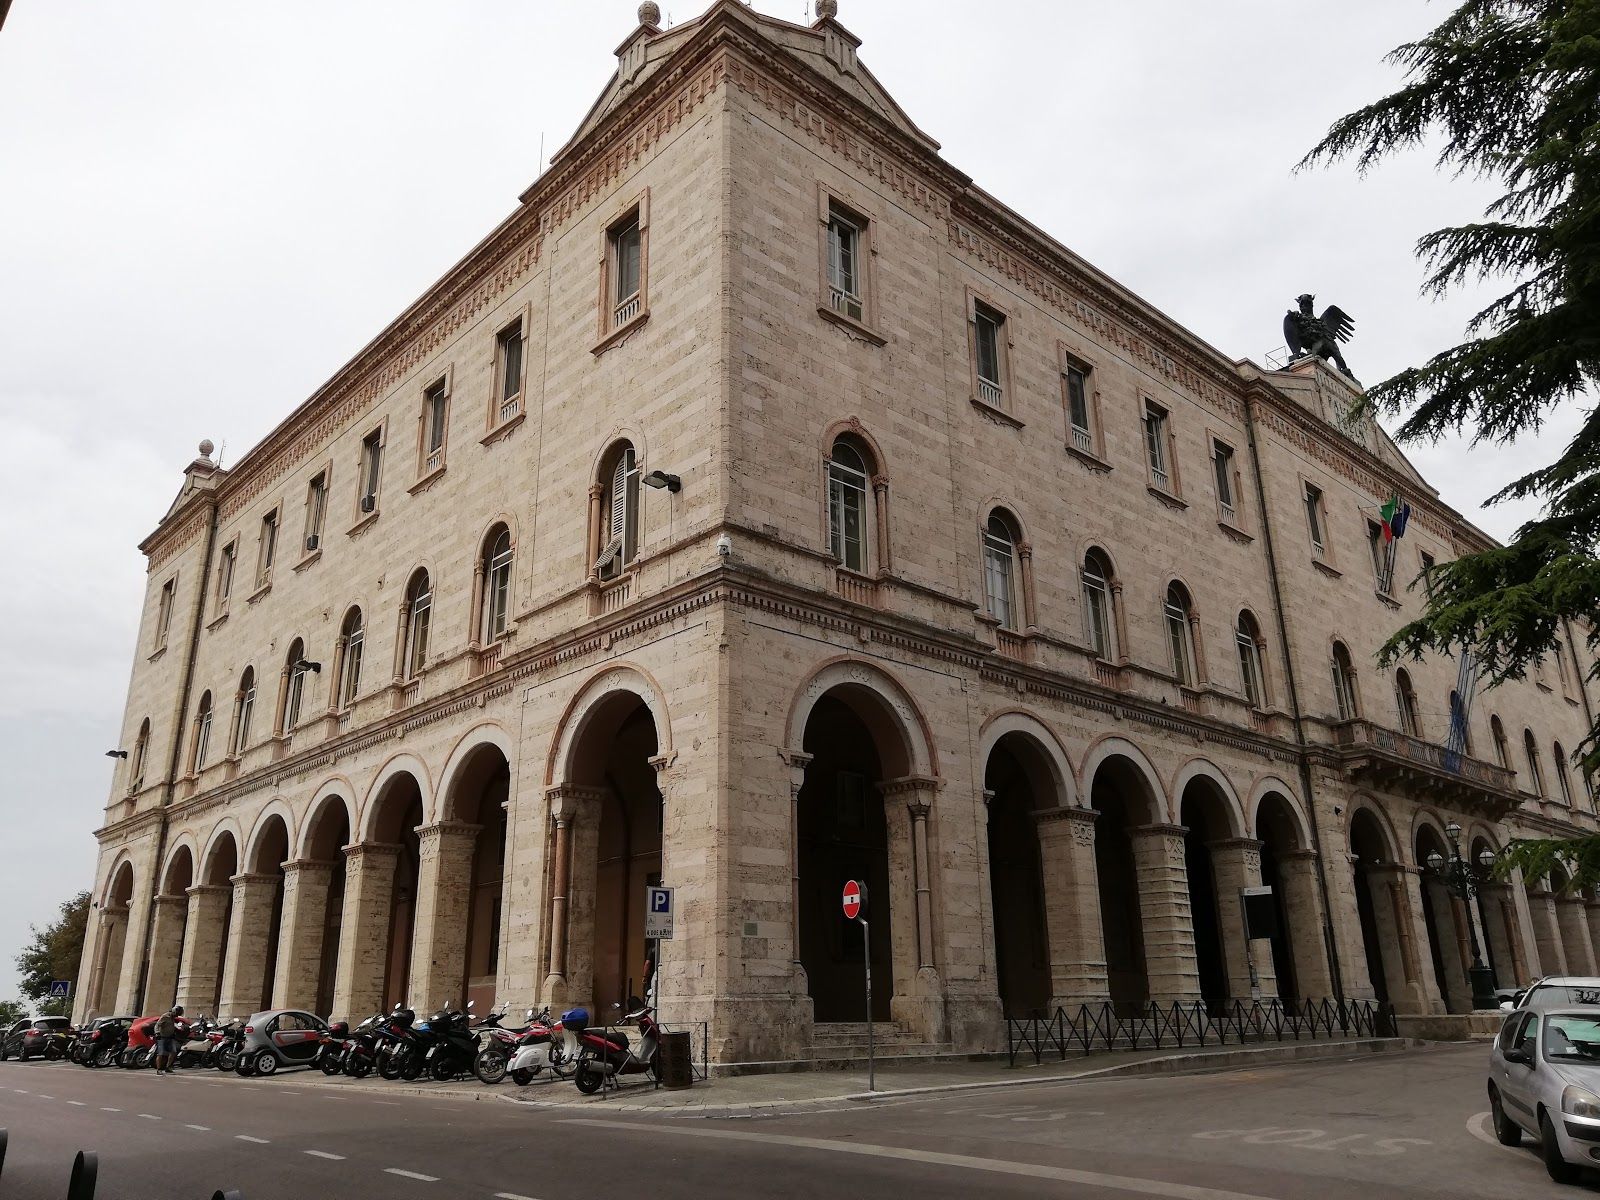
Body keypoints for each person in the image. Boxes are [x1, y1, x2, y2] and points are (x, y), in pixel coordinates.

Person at [153, 1005, 183, 1075]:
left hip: (170, 1037)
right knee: (160, 1053)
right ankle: (159, 1069)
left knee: (173, 1052)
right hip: (162, 1037)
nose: (177, 1015)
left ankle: (168, 1067)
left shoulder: (173, 1018)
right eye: (176, 1013)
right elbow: (157, 1025)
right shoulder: (165, 1016)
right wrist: (157, 1033)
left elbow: (172, 1025)